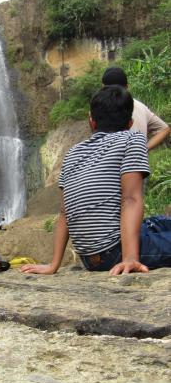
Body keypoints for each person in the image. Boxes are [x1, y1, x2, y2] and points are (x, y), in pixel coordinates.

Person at [21, 85, 171, 276]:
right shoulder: (132, 140)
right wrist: (130, 258)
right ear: (131, 123)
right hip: (114, 252)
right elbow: (130, 199)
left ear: (91, 121)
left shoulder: (72, 153)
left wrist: (53, 265)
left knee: (159, 222)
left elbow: (64, 212)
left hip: (89, 258)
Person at [102, 67, 170, 150]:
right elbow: (164, 129)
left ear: (103, 88)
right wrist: (144, 149)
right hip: (139, 161)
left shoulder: (99, 108)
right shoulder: (140, 106)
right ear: (127, 87)